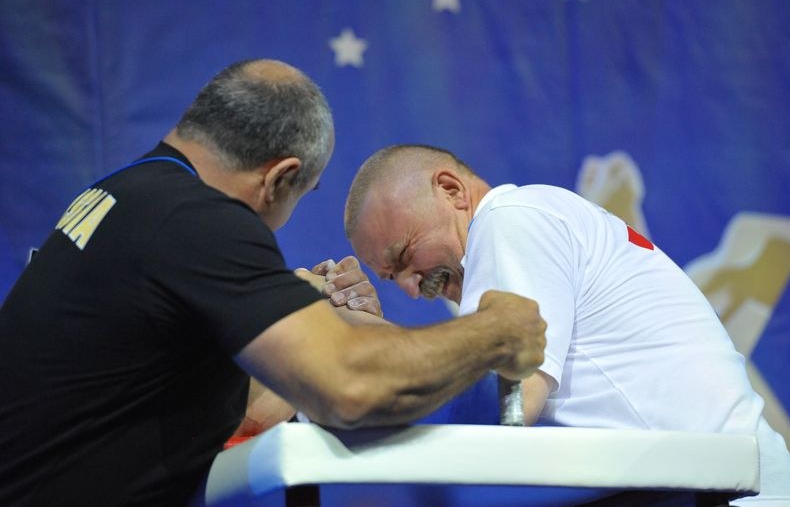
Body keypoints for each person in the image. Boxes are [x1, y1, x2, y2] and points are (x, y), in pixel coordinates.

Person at [0, 62, 547, 506]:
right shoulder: (197, 220)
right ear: (281, 177)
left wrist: (324, 330)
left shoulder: (128, 193)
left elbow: (238, 406)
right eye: (300, 196)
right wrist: (494, 331)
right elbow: (351, 390)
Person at [342, 143, 790, 505]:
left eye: (404, 257)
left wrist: (365, 347)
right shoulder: (541, 216)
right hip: (719, 487)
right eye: (391, 278)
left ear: (452, 190)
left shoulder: (508, 220)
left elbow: (507, 411)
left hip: (725, 496)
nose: (410, 288)